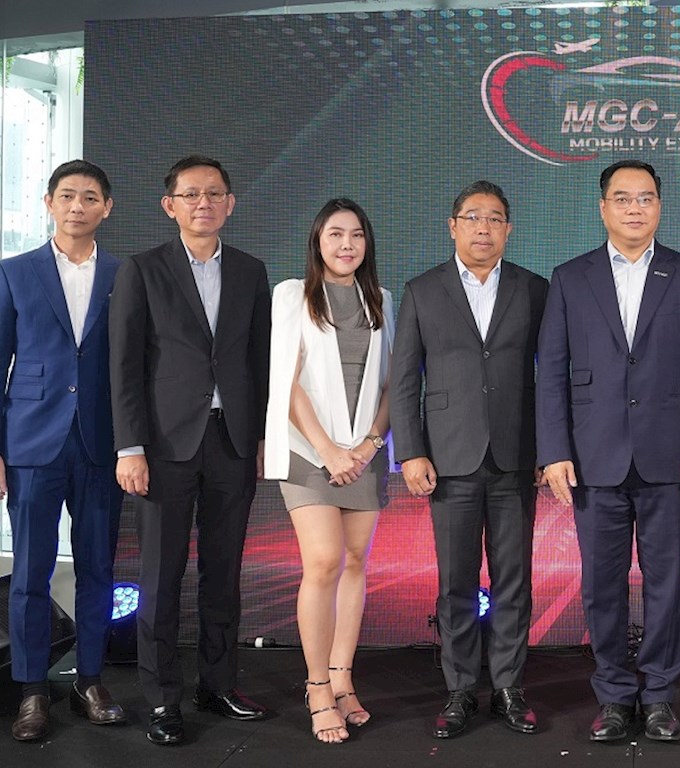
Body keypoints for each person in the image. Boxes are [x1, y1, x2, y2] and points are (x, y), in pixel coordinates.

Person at [537, 160, 680, 743]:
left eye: (645, 198)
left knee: (667, 582)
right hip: (594, 458)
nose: (634, 208)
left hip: (671, 458)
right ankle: (614, 695)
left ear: (660, 207)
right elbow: (552, 374)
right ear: (603, 208)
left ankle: (660, 695)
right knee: (601, 585)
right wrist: (554, 451)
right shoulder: (570, 278)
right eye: (622, 198)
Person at [110, 155, 272, 746]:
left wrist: (261, 438)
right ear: (170, 205)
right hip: (163, 446)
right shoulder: (143, 269)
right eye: (191, 194)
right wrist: (129, 447)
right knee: (161, 575)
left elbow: (260, 361)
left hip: (233, 441)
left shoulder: (251, 271)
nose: (204, 203)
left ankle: (218, 684)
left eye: (215, 193)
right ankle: (162, 698)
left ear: (231, 203)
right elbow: (124, 365)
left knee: (224, 572)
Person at [389, 181, 547, 739]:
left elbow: (551, 376)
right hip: (448, 458)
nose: (484, 227)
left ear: (509, 229)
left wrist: (549, 450)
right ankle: (459, 689)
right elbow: (403, 380)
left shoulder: (534, 289)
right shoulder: (422, 290)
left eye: (495, 218)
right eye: (473, 217)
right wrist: (410, 451)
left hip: (515, 457)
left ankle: (508, 687)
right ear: (453, 226)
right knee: (455, 582)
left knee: (514, 580)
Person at [1, 160, 126, 742]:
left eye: (90, 197)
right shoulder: (14, 272)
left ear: (107, 208)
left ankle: (89, 680)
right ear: (49, 202)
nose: (79, 206)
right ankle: (32, 689)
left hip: (102, 441)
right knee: (31, 571)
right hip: (31, 440)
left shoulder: (125, 275)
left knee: (99, 567)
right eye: (68, 195)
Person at [265, 198, 393, 743]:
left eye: (356, 235)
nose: (347, 244)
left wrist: (367, 445)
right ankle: (317, 686)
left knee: (356, 562)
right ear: (318, 239)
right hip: (307, 451)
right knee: (323, 561)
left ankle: (343, 678)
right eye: (336, 234)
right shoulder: (292, 294)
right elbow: (285, 380)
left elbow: (392, 384)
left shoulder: (382, 299)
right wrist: (328, 452)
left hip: (363, 452)